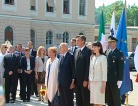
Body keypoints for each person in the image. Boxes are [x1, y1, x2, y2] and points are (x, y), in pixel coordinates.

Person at [105, 36, 124, 106]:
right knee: (109, 98)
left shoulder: (119, 53)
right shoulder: (107, 52)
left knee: (116, 98)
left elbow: (121, 67)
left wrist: (120, 79)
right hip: (107, 78)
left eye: (111, 42)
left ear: (115, 43)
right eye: (109, 42)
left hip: (115, 79)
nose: (110, 44)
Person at [74, 35, 92, 106]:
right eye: (76, 40)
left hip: (83, 80)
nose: (76, 42)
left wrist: (86, 79)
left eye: (78, 40)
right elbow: (75, 66)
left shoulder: (88, 51)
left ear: (83, 41)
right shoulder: (76, 50)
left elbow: (88, 66)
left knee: (85, 98)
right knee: (78, 99)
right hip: (77, 80)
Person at [88, 42, 107, 106]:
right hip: (92, 82)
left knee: (99, 102)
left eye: (95, 47)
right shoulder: (92, 57)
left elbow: (104, 72)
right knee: (94, 102)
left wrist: (103, 86)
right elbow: (90, 70)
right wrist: (89, 82)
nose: (94, 48)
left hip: (99, 83)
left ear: (99, 47)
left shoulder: (103, 57)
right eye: (93, 47)